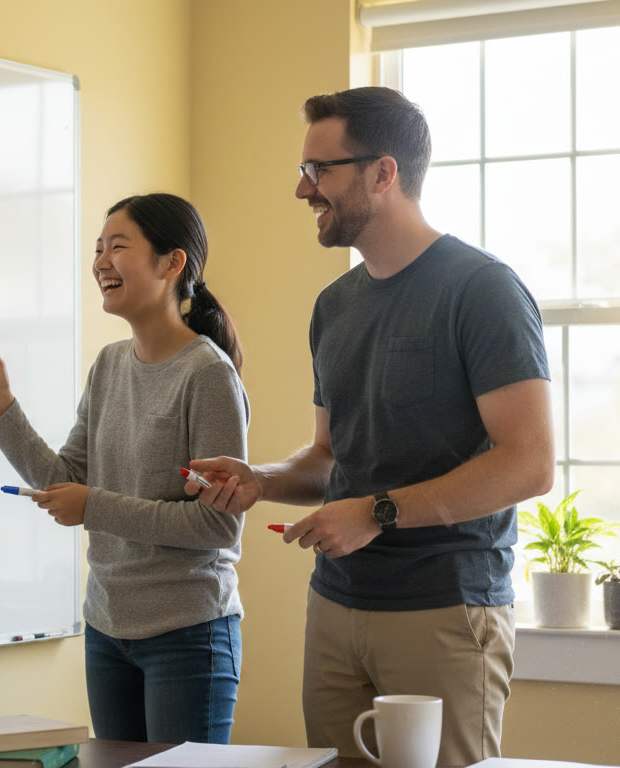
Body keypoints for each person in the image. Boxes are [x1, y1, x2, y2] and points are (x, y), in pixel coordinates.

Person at [186, 87, 554, 765]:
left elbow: (528, 464)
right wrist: (260, 479)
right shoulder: (334, 306)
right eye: (304, 170)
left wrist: (377, 512)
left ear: (384, 174)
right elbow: (332, 458)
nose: (304, 189)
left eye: (320, 170)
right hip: (335, 606)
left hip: (444, 608)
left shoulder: (482, 290)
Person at [0, 193, 249, 744]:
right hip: (106, 628)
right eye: (97, 249)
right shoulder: (109, 365)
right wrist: (2, 405)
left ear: (172, 263)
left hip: (189, 633)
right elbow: (63, 477)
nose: (100, 263)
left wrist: (94, 505)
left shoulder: (208, 375)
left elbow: (217, 526)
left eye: (118, 247)